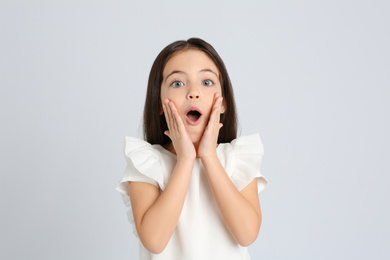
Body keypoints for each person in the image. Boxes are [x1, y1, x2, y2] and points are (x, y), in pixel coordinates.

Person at [116, 37, 268, 259]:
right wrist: (186, 160)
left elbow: (247, 234)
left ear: (223, 102)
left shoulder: (237, 158)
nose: (193, 92)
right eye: (177, 83)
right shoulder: (146, 163)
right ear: (159, 102)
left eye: (206, 82)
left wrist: (209, 157)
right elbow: (154, 241)